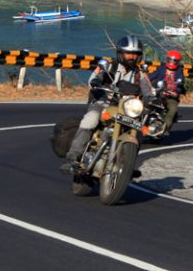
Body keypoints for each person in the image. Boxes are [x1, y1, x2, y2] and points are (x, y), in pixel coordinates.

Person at [60, 35, 154, 174]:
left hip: (127, 109)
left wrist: (152, 99)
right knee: (91, 119)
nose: (132, 57)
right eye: (128, 53)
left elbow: (148, 90)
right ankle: (74, 156)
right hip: (103, 103)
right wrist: (97, 82)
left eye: (135, 54)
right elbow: (94, 78)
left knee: (138, 130)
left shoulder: (140, 74)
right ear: (120, 53)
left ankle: (128, 165)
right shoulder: (109, 65)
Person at [148, 49, 186, 136]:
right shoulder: (161, 68)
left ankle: (165, 128)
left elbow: (180, 82)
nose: (172, 62)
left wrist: (176, 90)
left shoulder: (179, 71)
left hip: (171, 96)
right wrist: (145, 80)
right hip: (158, 93)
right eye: (170, 60)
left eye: (174, 61)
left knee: (173, 109)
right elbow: (151, 76)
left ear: (178, 62)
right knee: (146, 102)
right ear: (167, 59)